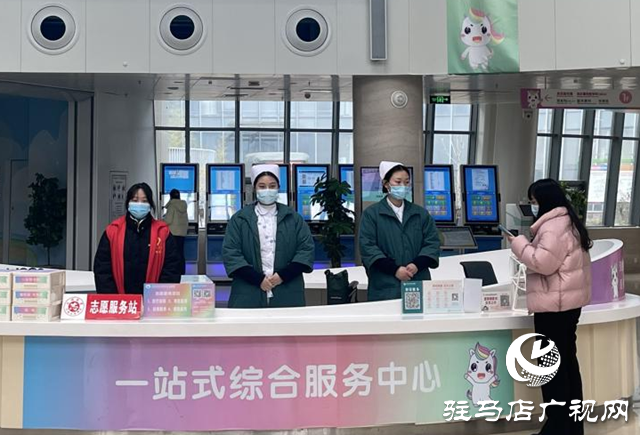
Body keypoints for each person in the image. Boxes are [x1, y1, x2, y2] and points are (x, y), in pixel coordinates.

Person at [509, 179, 592, 435]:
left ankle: (556, 426)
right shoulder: (569, 222)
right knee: (567, 365)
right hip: (568, 306)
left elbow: (542, 263)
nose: (532, 206)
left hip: (553, 307)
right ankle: (571, 427)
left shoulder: (552, 227)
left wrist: (518, 244)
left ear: (545, 201)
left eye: (533, 201)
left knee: (551, 368)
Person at [222, 164, 315, 308]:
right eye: (262, 186)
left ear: (278, 188)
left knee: (286, 322)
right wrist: (258, 279)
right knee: (249, 322)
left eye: (272, 186)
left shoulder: (293, 218)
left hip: (287, 288)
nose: (267, 190)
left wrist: (282, 276)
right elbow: (231, 253)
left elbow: (305, 250)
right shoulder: (240, 219)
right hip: (248, 289)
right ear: (254, 188)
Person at [359, 161, 440, 301]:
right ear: (386, 184)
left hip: (417, 281)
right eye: (398, 182)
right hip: (385, 285)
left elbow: (432, 243)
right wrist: (395, 270)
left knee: (417, 314)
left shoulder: (420, 214)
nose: (403, 186)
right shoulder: (372, 214)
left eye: (406, 182)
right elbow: (368, 247)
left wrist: (416, 265)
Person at [94, 182, 182, 294]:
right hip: (121, 301)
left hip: (153, 301)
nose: (139, 204)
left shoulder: (162, 232)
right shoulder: (113, 231)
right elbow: (102, 269)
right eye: (135, 200)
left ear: (150, 204)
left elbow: (172, 268)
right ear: (128, 203)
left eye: (144, 201)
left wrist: (157, 297)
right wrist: (114, 299)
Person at [163, 189, 189, 274]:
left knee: (172, 254)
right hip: (182, 233)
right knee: (181, 253)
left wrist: (161, 221)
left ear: (170, 196)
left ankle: (174, 272)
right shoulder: (183, 205)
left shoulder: (172, 206)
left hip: (173, 233)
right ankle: (182, 272)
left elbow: (168, 220)